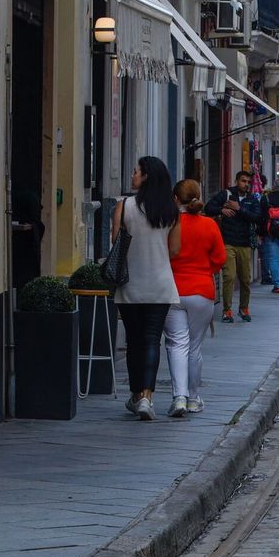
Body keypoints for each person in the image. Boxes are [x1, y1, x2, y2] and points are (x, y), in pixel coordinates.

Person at [112, 157, 182, 421]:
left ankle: (135, 394)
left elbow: (116, 242)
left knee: (134, 341)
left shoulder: (124, 206)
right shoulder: (171, 211)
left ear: (146, 177)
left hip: (131, 283)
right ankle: (147, 397)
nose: (132, 176)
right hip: (160, 283)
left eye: (136, 172)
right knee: (152, 338)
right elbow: (175, 249)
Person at [167, 180, 226, 415]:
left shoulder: (170, 224)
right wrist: (204, 271)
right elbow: (220, 258)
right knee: (194, 347)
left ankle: (179, 397)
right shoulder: (209, 225)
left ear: (175, 199)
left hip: (173, 289)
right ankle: (193, 397)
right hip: (202, 291)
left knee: (176, 344)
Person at [205, 171, 263, 323]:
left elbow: (257, 217)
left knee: (245, 279)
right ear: (237, 181)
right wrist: (221, 210)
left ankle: (244, 308)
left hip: (244, 243)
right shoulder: (226, 194)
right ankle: (227, 311)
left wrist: (239, 209)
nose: (246, 184)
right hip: (228, 242)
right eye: (243, 181)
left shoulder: (252, 199)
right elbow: (208, 207)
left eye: (248, 182)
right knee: (229, 276)